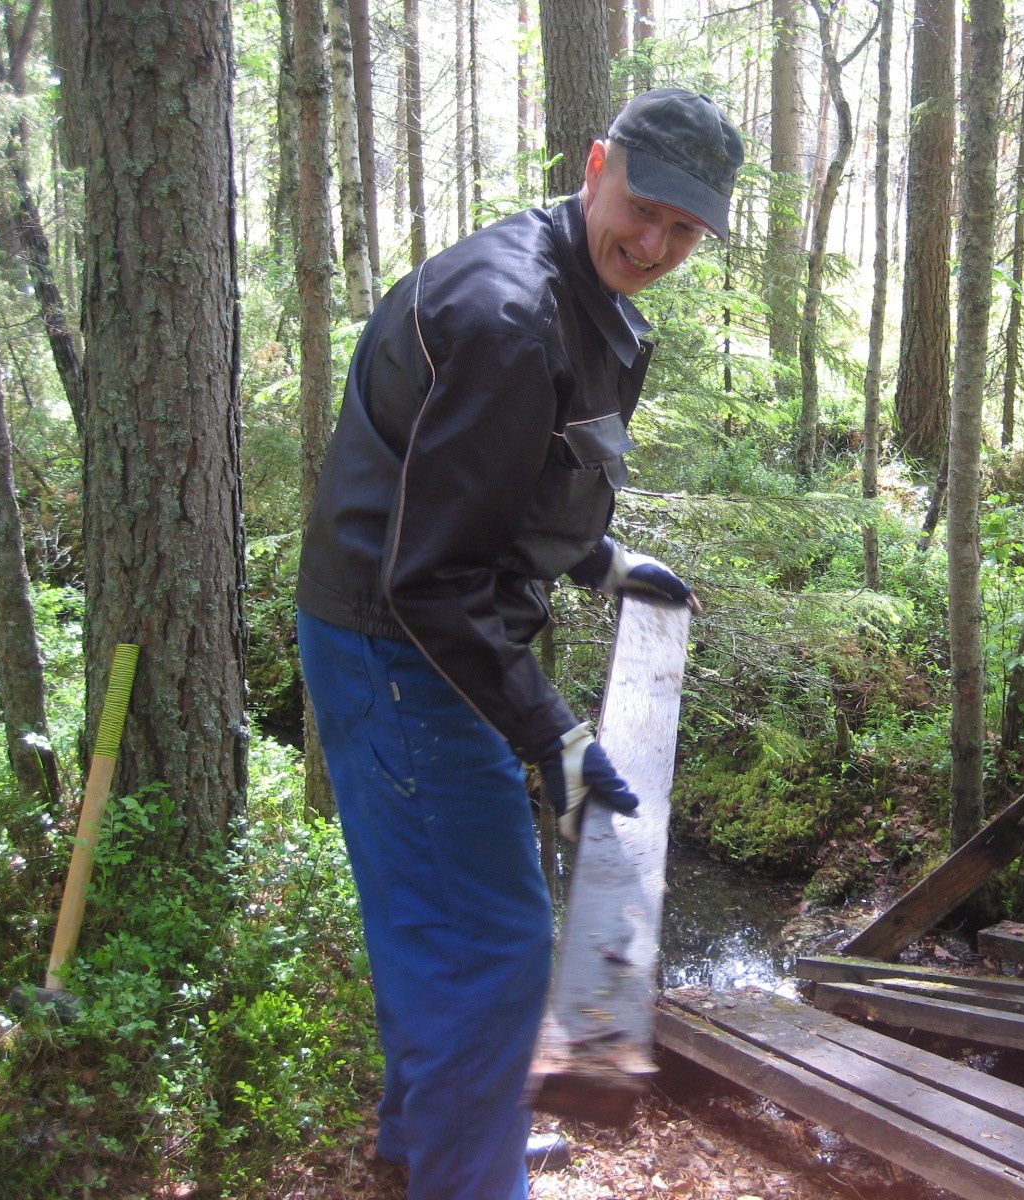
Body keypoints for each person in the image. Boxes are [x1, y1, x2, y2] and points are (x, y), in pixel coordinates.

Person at [294, 88, 743, 1199]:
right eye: (641, 209)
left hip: (426, 633)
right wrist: (553, 733)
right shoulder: (509, 314)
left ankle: (432, 1137)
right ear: (597, 164)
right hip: (401, 653)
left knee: (444, 927)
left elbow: (513, 479)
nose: (655, 244)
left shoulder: (583, 293)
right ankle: (467, 1173)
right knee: (485, 956)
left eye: (685, 230)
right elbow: (432, 575)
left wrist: (599, 559)